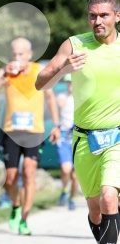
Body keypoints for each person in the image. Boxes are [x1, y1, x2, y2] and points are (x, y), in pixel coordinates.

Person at [36, 0, 120, 244]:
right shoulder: (75, 45)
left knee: (111, 196)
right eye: (93, 16)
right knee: (95, 210)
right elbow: (39, 82)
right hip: (84, 138)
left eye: (104, 15)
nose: (97, 21)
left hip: (117, 136)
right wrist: (63, 70)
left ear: (117, 17)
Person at [0, 37, 60, 235]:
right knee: (10, 179)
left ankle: (25, 219)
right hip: (11, 131)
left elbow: (50, 98)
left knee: (28, 172)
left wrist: (56, 125)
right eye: (14, 54)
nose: (17, 57)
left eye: (21, 54)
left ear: (30, 55)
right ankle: (16, 206)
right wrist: (3, 76)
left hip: (34, 131)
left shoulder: (38, 71)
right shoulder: (6, 72)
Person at [55, 74, 79, 210]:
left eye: (72, 82)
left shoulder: (81, 97)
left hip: (77, 137)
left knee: (75, 176)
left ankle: (72, 198)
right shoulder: (62, 97)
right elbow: (54, 110)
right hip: (64, 137)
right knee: (66, 170)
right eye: (68, 83)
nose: (70, 85)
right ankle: (64, 189)